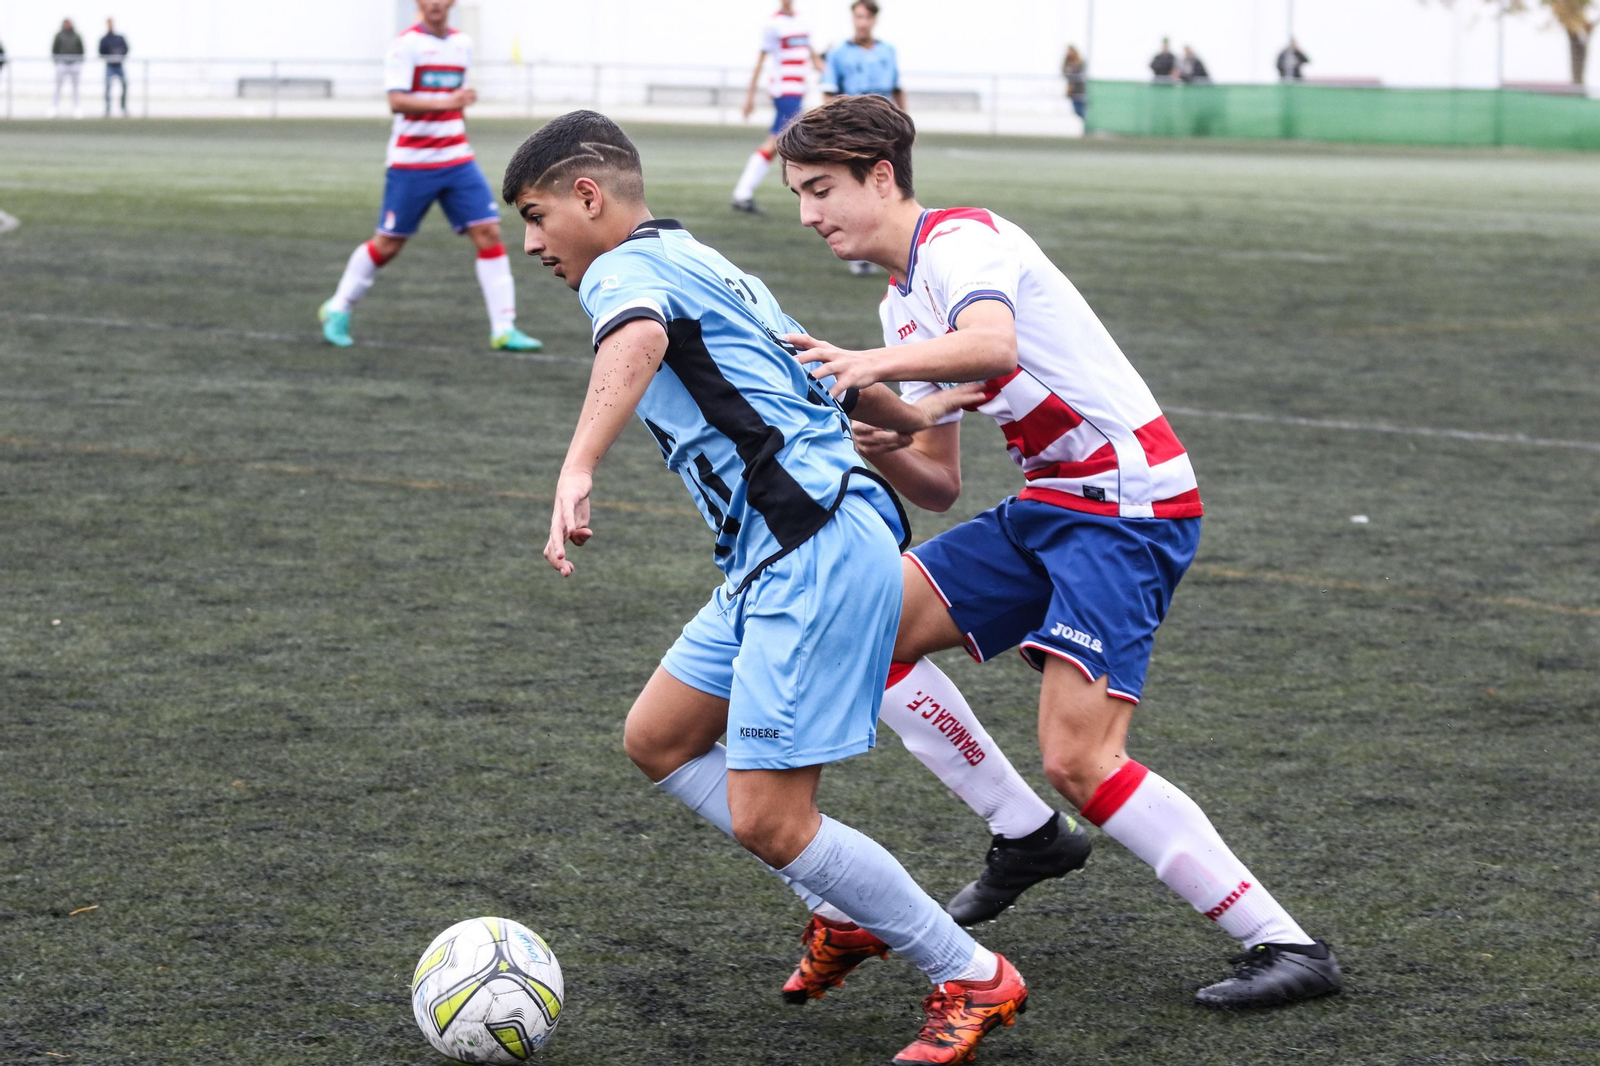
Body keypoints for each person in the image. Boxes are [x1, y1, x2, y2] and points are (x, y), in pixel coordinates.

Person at [774, 94, 1345, 1010]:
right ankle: (1027, 835)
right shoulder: (900, 305)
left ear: (881, 177)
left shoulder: (961, 242)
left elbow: (993, 344)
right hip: (1051, 505)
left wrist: (869, 370)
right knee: (865, 626)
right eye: (799, 194)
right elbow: (938, 483)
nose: (808, 214)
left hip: (1129, 507)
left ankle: (1284, 944)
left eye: (821, 189)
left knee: (1082, 759)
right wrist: (878, 437)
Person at [505, 108, 1030, 1064]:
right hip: (780, 548)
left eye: (538, 217)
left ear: (589, 197)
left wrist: (578, 464)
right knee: (659, 739)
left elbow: (634, 343)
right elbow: (813, 362)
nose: (533, 243)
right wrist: (907, 416)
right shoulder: (703, 258)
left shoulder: (624, 272)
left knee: (770, 817)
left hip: (812, 544)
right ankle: (843, 906)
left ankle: (971, 976)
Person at [317, 0, 541, 353]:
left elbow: (455, 103)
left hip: (457, 159)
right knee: (388, 243)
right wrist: (449, 103)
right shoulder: (405, 45)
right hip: (411, 163)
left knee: (489, 232)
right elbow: (397, 101)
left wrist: (456, 117)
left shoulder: (462, 45)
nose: (435, 3)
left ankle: (504, 328)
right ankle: (337, 308)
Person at [820, 0, 903, 277]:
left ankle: (889, 247)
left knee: (888, 188)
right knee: (856, 188)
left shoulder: (887, 51)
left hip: (884, 126)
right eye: (858, 17)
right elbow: (829, 93)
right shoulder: (839, 53)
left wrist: (904, 122)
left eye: (866, 17)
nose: (862, 22)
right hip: (853, 127)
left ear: (874, 20)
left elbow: (896, 89)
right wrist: (830, 129)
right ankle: (856, 251)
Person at [731, 0, 820, 214]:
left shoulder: (803, 22)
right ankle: (743, 193)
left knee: (777, 142)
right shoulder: (773, 25)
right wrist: (749, 96)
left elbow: (813, 58)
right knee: (783, 141)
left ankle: (743, 193)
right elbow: (760, 61)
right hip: (784, 91)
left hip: (798, 90)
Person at [50, 19, 85, 120]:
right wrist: (56, 62)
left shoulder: (76, 35)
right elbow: (54, 49)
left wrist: (79, 62)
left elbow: (81, 49)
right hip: (62, 63)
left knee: (75, 87)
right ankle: (55, 107)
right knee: (58, 86)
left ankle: (76, 107)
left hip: (74, 64)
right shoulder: (59, 35)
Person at [99, 18, 130, 118]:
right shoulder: (104, 39)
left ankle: (123, 107)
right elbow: (101, 51)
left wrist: (119, 54)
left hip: (119, 65)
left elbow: (126, 48)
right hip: (110, 66)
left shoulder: (119, 38)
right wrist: (109, 55)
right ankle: (107, 109)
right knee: (108, 86)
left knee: (125, 84)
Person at [1061, 44, 1086, 120]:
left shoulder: (1080, 62)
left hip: (1081, 89)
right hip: (1072, 90)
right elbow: (1064, 72)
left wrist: (1071, 72)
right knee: (1076, 110)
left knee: (1082, 109)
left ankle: (1087, 124)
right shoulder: (1066, 61)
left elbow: (1079, 73)